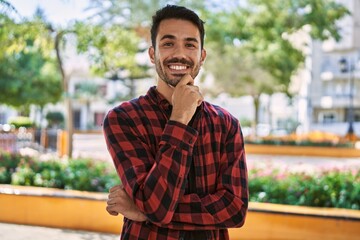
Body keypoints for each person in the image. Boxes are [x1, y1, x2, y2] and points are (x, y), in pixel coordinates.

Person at [103, 5, 248, 240]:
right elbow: (157, 205)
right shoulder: (123, 119)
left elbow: (234, 210)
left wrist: (142, 211)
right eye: (168, 43)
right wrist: (179, 118)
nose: (179, 54)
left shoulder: (227, 125)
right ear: (153, 54)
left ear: (201, 55)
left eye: (190, 44)